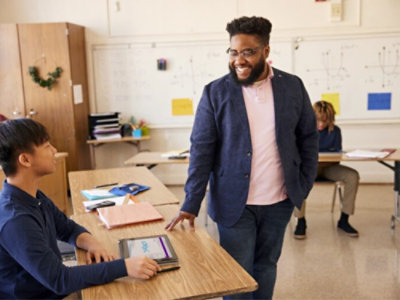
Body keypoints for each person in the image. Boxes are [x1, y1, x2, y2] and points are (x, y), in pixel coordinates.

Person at [165, 16, 318, 299]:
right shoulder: (216, 92)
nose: (239, 60)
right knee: (236, 272)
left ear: (266, 51)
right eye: (234, 52)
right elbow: (201, 149)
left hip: (279, 200)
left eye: (248, 52)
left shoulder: (292, 86)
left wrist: (304, 182)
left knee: (266, 265)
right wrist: (191, 201)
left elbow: (308, 137)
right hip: (234, 202)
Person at [0, 118, 161, 299]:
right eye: (46, 146)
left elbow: (67, 229)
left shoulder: (33, 196)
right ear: (25, 159)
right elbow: (60, 279)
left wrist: (93, 244)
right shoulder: (16, 220)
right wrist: (124, 267)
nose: (54, 150)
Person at [293, 100, 360, 239]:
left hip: (329, 168)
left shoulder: (335, 131)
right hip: (309, 169)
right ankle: (301, 221)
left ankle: (344, 220)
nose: (322, 124)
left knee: (352, 175)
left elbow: (336, 157)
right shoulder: (302, 130)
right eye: (318, 120)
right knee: (297, 178)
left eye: (326, 121)